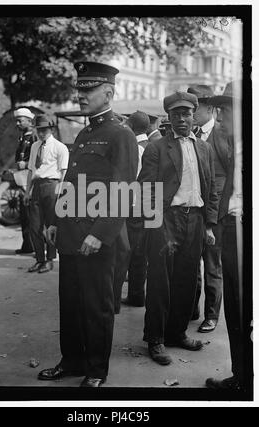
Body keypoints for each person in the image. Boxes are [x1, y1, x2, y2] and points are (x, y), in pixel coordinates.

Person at [37, 61, 138, 387]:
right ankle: (73, 360)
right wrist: (55, 221)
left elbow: (124, 192)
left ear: (108, 92)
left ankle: (96, 370)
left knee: (97, 306)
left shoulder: (120, 134)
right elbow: (71, 183)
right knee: (70, 302)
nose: (81, 95)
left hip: (96, 238)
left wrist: (100, 234)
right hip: (70, 235)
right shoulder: (85, 132)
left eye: (88, 89)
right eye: (79, 89)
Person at [138, 91, 218, 366]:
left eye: (186, 114)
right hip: (166, 220)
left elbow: (211, 189)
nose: (181, 119)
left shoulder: (204, 148)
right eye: (175, 115)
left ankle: (177, 333)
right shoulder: (156, 148)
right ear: (168, 118)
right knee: (161, 281)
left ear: (193, 115)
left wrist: (209, 224)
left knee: (187, 280)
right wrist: (154, 226)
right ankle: (156, 339)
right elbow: (146, 189)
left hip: (194, 220)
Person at [206, 81, 245, 390]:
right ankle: (242, 377)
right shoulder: (237, 146)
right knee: (235, 308)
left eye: (226, 111)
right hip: (232, 230)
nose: (220, 119)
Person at [187, 85, 229, 333]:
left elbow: (227, 176)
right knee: (192, 263)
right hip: (194, 211)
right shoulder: (192, 134)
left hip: (215, 212)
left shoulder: (221, 134)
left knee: (212, 264)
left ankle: (211, 315)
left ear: (209, 108)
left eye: (195, 108)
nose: (191, 113)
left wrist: (216, 214)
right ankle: (192, 308)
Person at [25, 115, 69, 273]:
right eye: (39, 130)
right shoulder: (35, 146)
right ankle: (39, 259)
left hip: (52, 186)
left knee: (51, 225)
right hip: (37, 186)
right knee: (35, 226)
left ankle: (50, 259)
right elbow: (31, 170)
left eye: (44, 130)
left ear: (51, 129)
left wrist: (61, 194)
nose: (42, 133)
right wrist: (27, 191)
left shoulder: (60, 147)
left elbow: (64, 173)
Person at [119, 110, 150, 308]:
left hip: (132, 205)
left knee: (128, 251)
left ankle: (133, 296)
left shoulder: (134, 148)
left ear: (130, 125)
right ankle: (137, 294)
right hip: (146, 205)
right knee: (140, 252)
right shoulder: (153, 146)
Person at [13, 107, 37, 255]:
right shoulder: (23, 137)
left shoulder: (34, 136)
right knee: (24, 214)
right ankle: (27, 245)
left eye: (20, 120)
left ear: (29, 121)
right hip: (22, 179)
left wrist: (26, 164)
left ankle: (34, 245)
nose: (18, 123)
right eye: (17, 120)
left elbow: (40, 158)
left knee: (31, 214)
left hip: (31, 180)